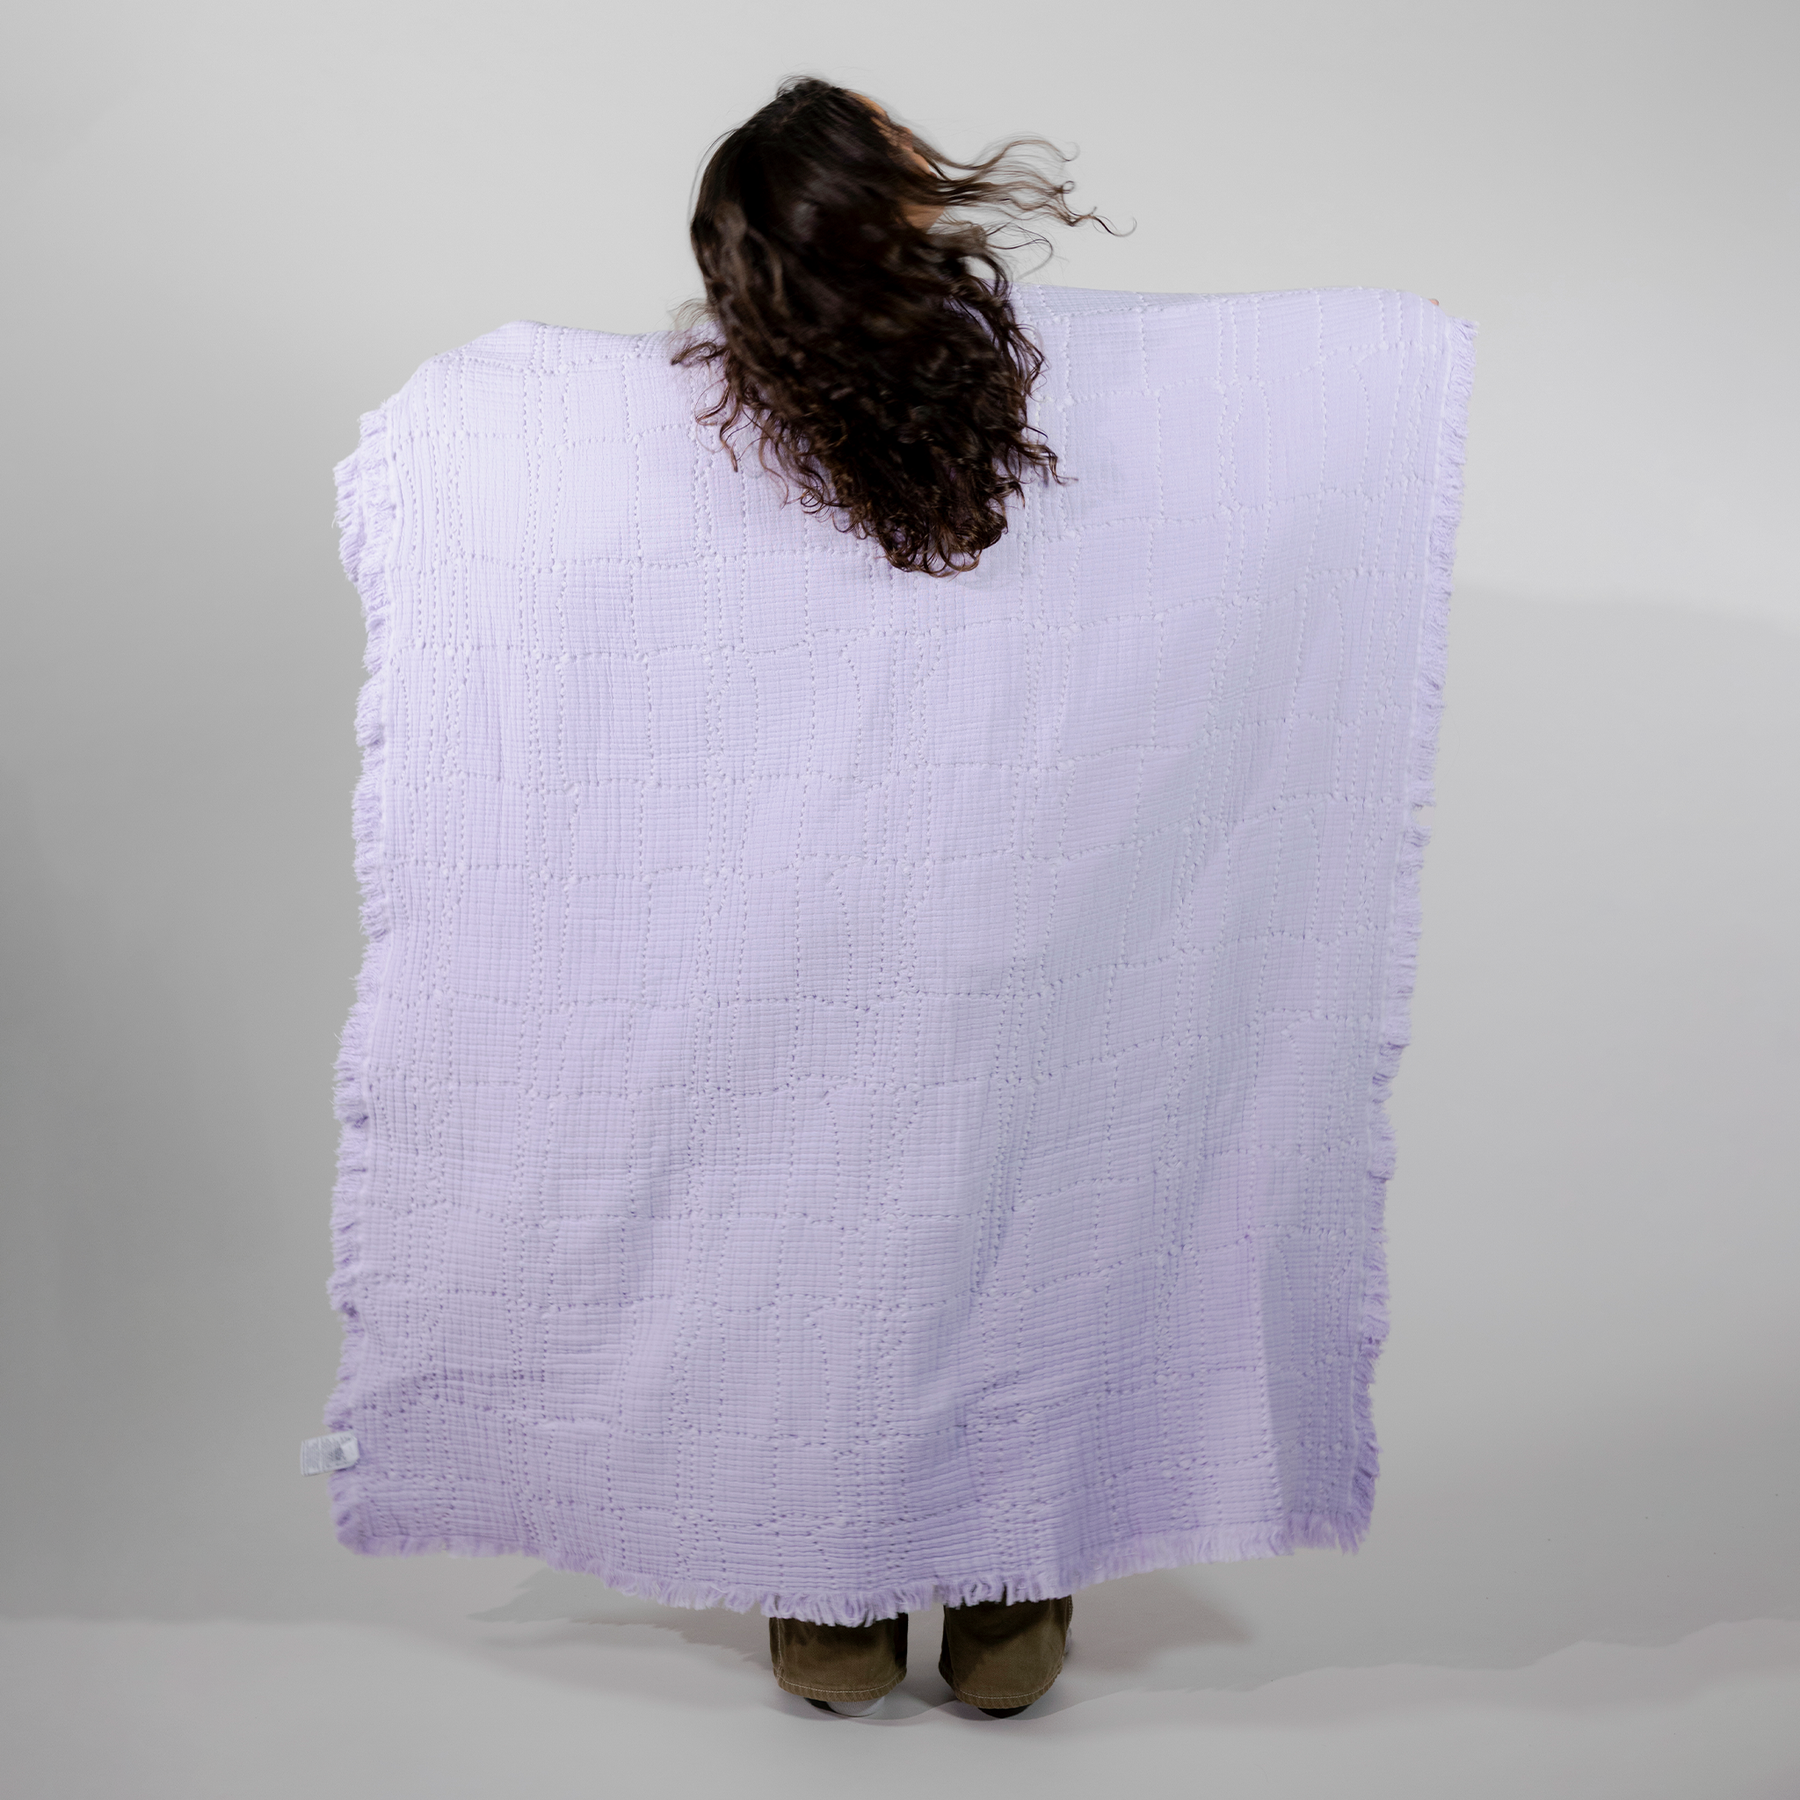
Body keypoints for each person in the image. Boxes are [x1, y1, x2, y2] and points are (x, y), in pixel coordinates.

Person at [674, 76, 1110, 1717]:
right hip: (1016, 880)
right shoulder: (1054, 388)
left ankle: (833, 1603)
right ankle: (1003, 1602)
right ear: (888, 202)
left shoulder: (676, 427)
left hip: (794, 902)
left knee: (817, 1225)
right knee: (1009, 1212)